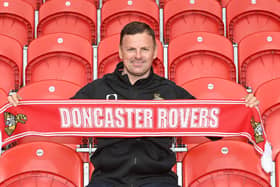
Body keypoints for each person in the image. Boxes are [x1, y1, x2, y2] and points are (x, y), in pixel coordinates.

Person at [8, 22, 259, 187]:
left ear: (154, 53)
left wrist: (245, 109)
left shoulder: (169, 92)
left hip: (158, 179)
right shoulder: (99, 89)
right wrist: (21, 108)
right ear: (120, 51)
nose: (137, 56)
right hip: (107, 180)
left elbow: (213, 127)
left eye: (143, 49)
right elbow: (59, 118)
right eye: (131, 49)